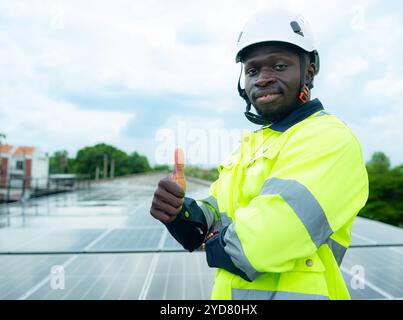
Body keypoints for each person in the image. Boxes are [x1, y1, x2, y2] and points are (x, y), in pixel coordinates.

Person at [150, 9, 369, 300]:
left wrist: (210, 241)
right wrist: (181, 212)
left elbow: (262, 243)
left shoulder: (330, 139)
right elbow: (214, 215)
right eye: (252, 71)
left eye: (279, 66)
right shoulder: (251, 145)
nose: (262, 79)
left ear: (309, 71)